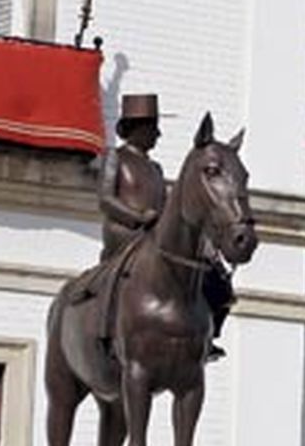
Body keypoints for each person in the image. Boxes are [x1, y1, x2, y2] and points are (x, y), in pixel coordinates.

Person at [95, 93, 232, 359]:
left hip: (155, 235)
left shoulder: (155, 169)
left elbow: (169, 207)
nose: (157, 135)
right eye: (153, 128)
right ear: (137, 129)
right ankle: (107, 331)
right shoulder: (116, 157)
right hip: (125, 232)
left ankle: (209, 334)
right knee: (118, 274)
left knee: (210, 272)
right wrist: (137, 217)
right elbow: (106, 199)